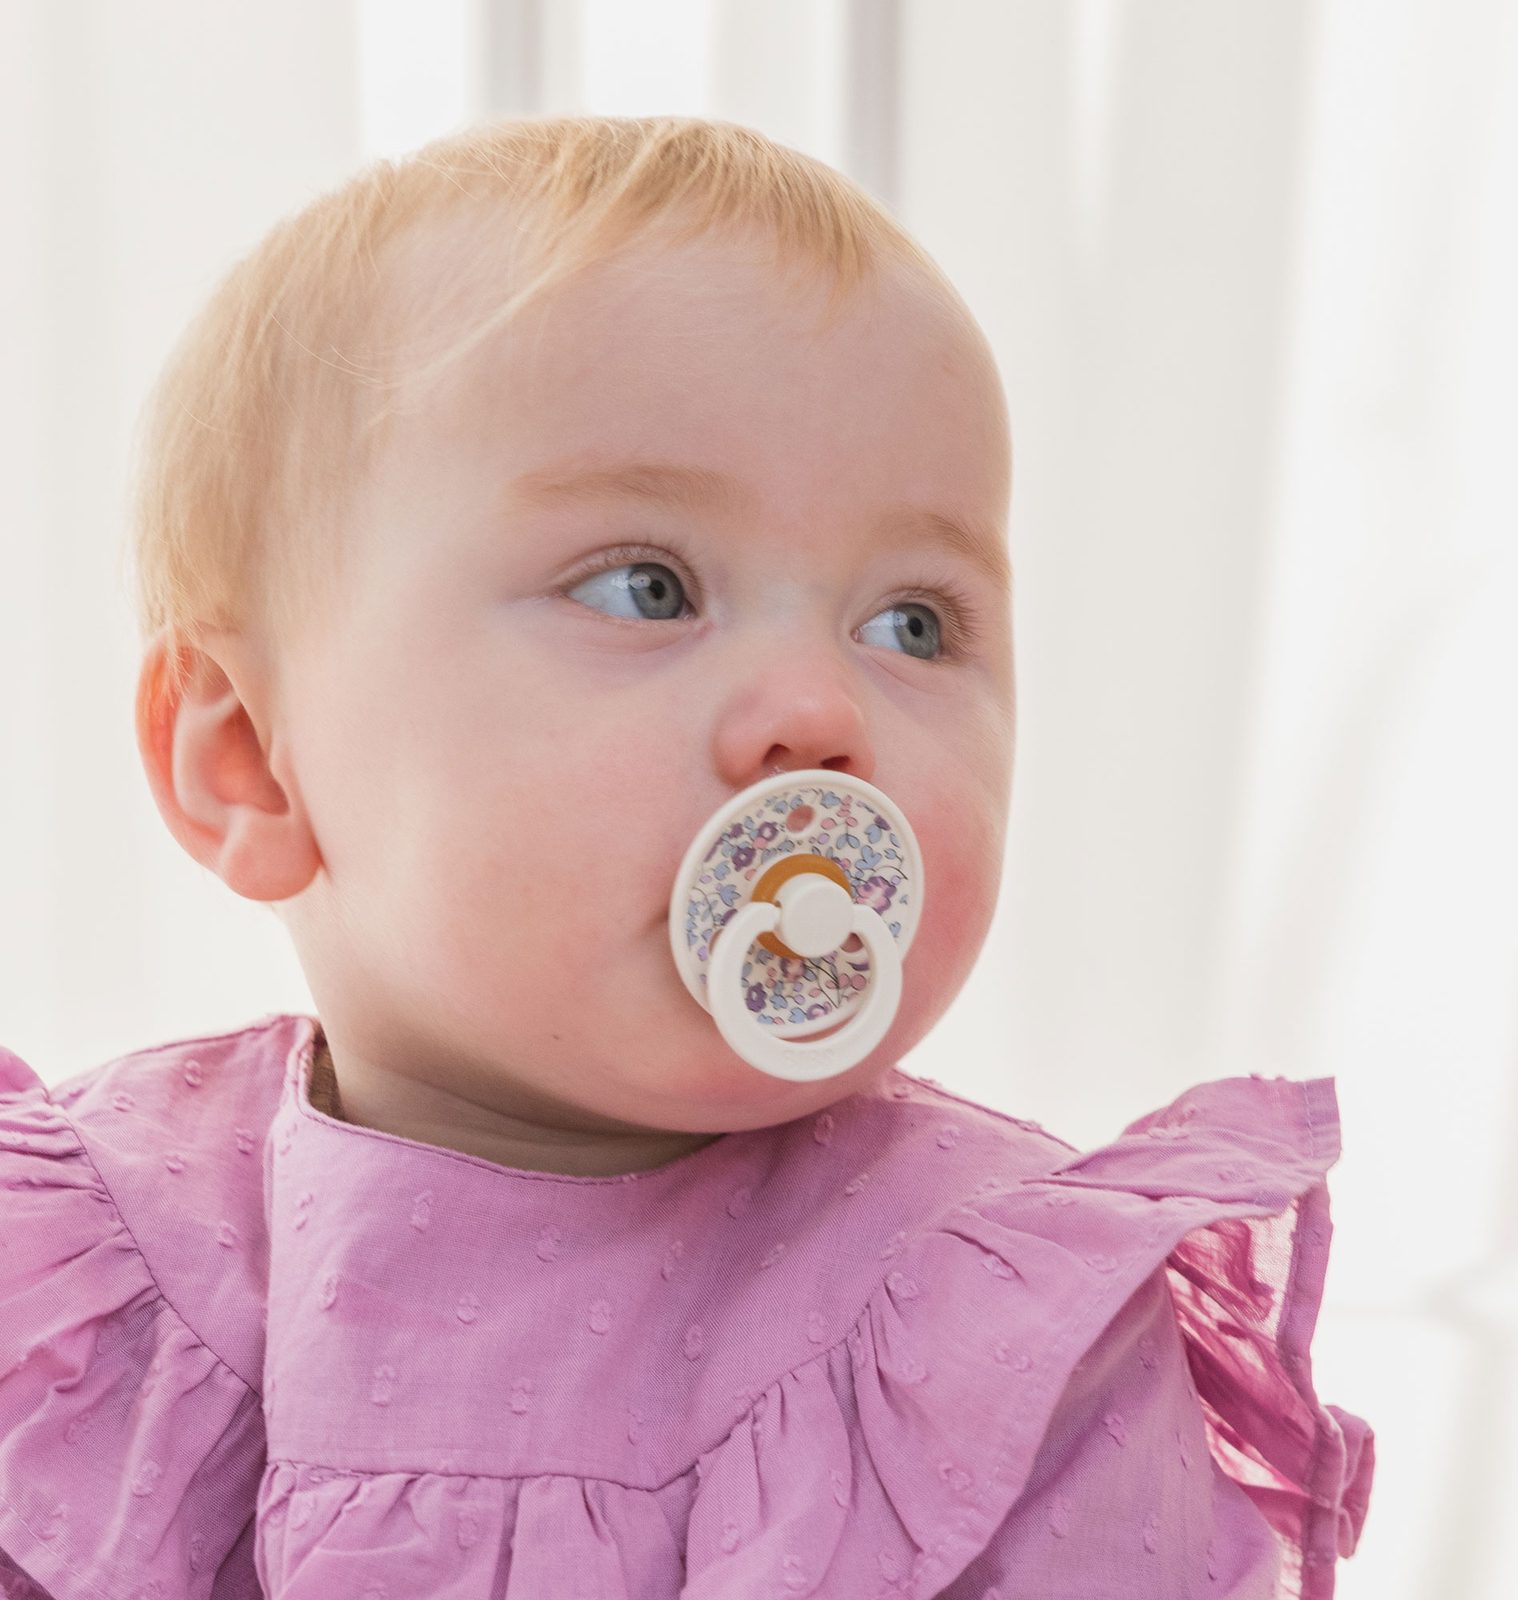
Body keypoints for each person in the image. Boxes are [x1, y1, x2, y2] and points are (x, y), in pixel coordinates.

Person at [0, 115, 1375, 1599]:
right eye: (645, 589)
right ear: (251, 763)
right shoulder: (76, 1294)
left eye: (913, 623)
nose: (821, 712)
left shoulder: (1002, 1345)